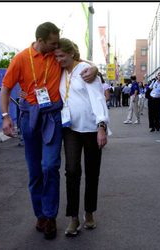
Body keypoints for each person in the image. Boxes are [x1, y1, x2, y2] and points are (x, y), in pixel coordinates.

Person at [0, 22, 98, 240]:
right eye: (52, 43)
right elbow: (6, 88)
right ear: (41, 40)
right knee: (35, 170)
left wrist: (96, 67)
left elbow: (78, 61)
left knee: (50, 165)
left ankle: (51, 216)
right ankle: (41, 215)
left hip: (53, 117)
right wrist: (6, 117)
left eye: (57, 44)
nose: (56, 47)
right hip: (29, 118)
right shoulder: (21, 59)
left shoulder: (56, 56)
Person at [54, 38, 110, 237]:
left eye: (61, 56)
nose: (58, 59)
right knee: (71, 171)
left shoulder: (85, 70)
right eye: (56, 56)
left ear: (71, 54)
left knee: (92, 172)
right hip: (70, 129)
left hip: (92, 129)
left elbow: (98, 99)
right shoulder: (61, 71)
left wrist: (101, 126)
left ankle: (89, 213)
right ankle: (73, 218)